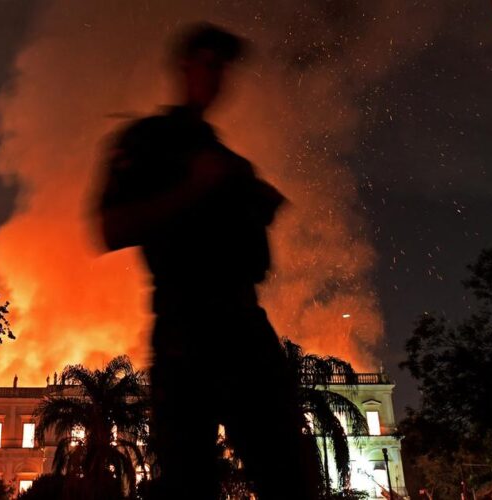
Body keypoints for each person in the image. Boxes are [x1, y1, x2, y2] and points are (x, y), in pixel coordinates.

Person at [94, 22, 320, 500]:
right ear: (185, 66)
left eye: (225, 69)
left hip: (244, 324)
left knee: (287, 468)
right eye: (209, 64)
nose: (218, 78)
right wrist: (195, 188)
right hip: (185, 326)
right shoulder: (148, 142)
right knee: (189, 474)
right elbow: (111, 229)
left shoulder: (226, 159)